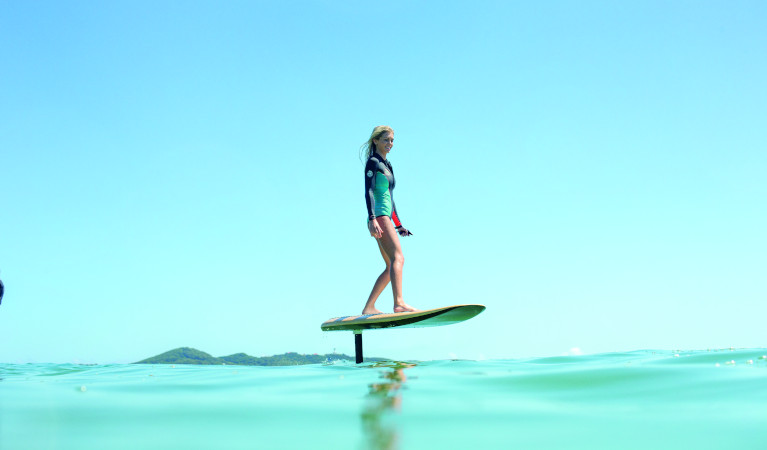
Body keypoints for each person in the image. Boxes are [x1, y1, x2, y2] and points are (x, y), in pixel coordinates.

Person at [361, 126, 418, 315]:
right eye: (386, 140)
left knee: (390, 267)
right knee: (398, 258)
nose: (390, 143)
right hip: (379, 217)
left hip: (386, 216)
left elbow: (390, 198)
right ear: (376, 141)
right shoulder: (373, 162)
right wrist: (372, 218)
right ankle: (399, 303)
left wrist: (399, 224)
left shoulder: (388, 165)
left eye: (392, 140)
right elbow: (369, 191)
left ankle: (369, 306)